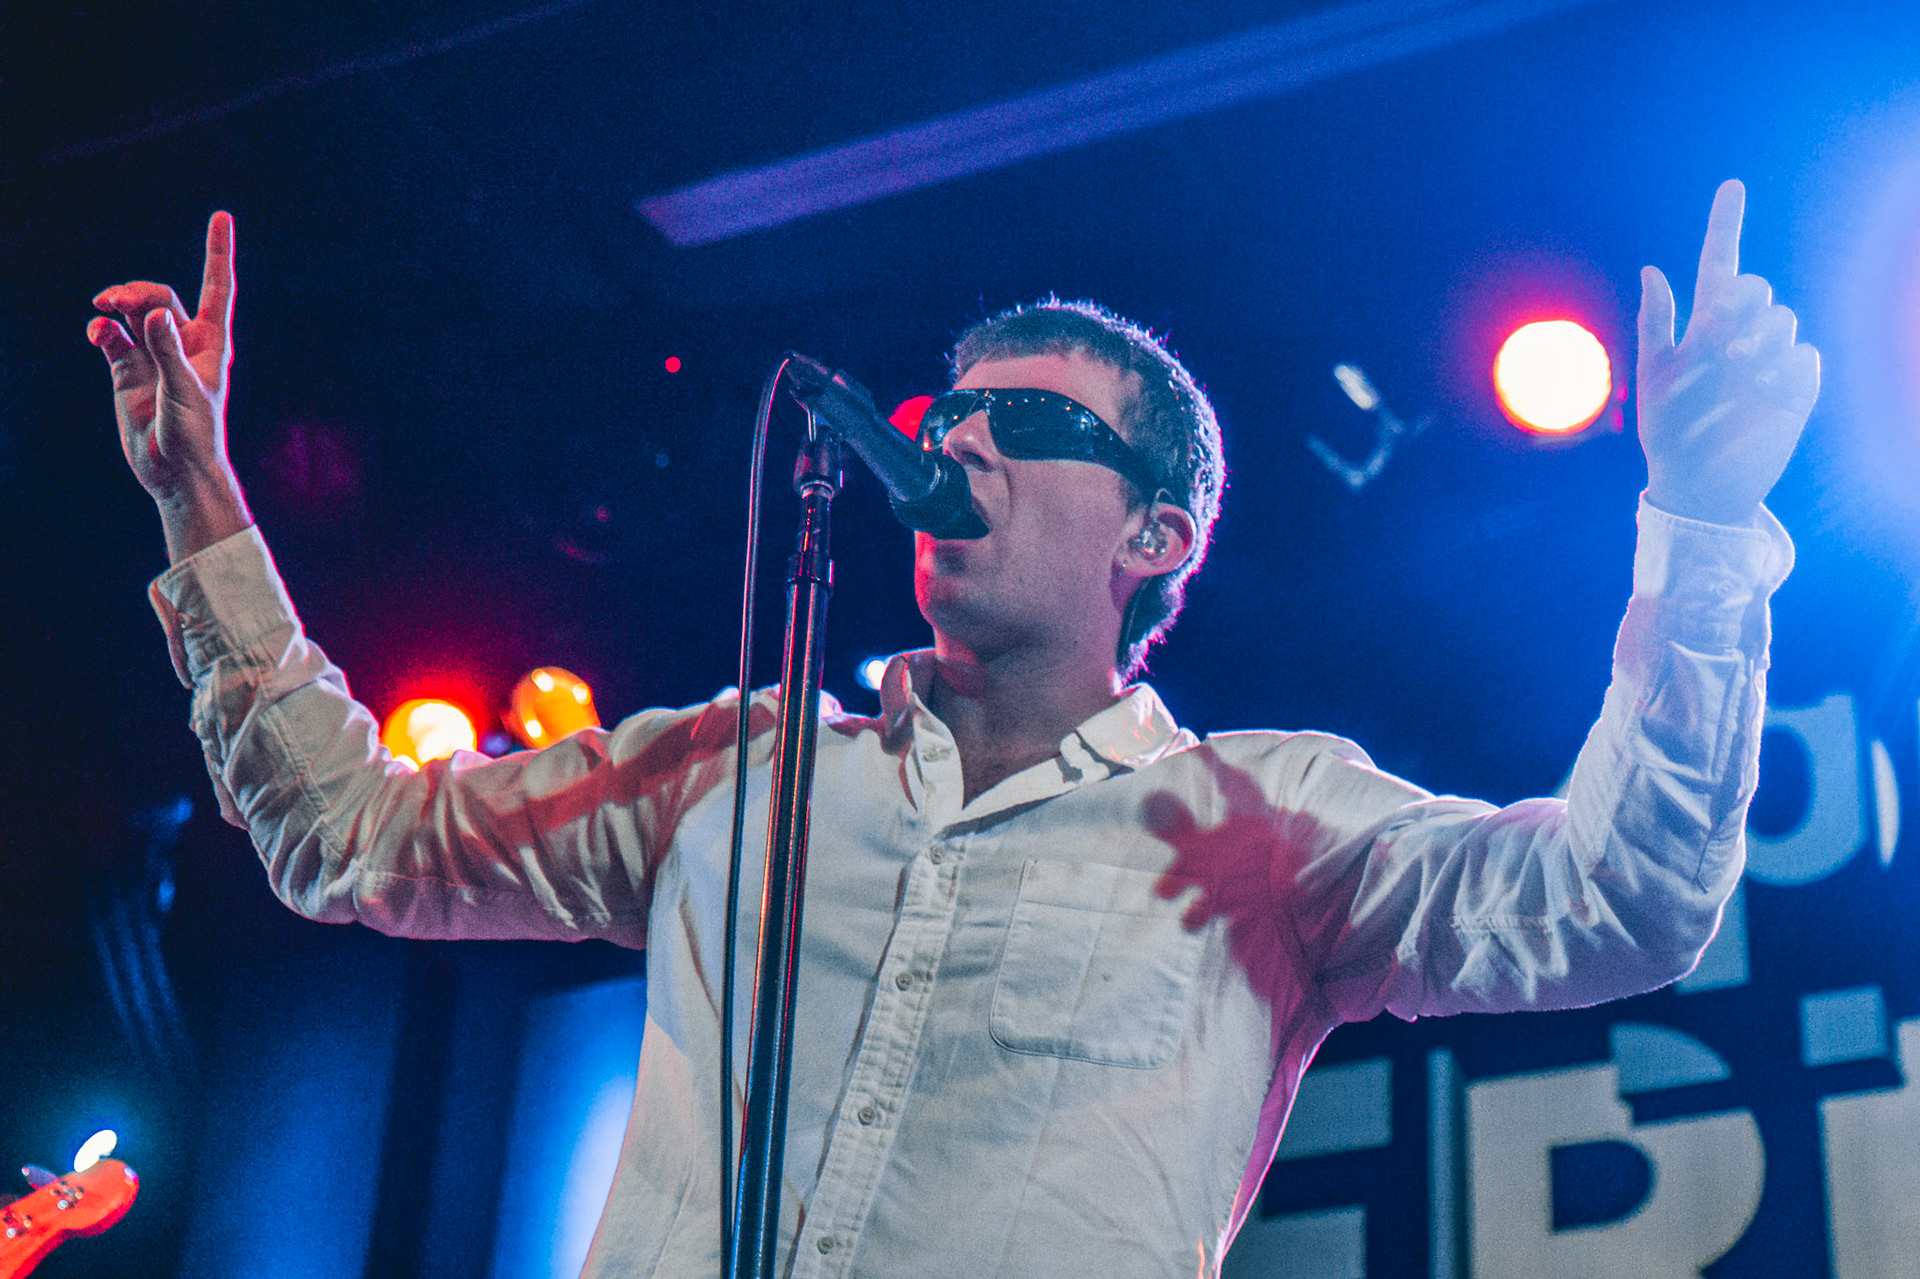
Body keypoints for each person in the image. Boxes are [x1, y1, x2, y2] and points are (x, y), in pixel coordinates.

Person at [89, 179, 1817, 1278]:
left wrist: (1707, 517)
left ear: (1156, 537)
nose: (965, 443)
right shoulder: (734, 773)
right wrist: (194, 498)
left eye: (1033, 428)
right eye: (955, 417)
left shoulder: (1268, 820)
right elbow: (352, 840)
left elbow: (1623, 902)